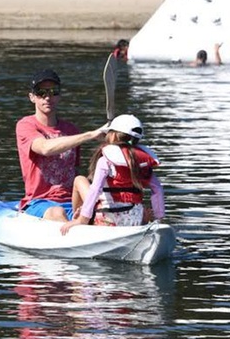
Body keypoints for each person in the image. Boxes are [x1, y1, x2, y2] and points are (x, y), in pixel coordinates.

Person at [16, 69, 109, 222]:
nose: (48, 97)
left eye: (53, 92)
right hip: (40, 201)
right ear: (32, 97)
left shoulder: (71, 130)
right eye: (41, 92)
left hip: (71, 199)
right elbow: (45, 148)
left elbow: (75, 170)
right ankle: (77, 234)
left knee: (82, 180)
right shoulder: (26, 125)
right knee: (58, 212)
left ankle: (104, 216)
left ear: (59, 96)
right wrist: (91, 135)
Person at [61, 114, 165, 235]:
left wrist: (83, 219)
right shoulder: (142, 161)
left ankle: (79, 219)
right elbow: (157, 189)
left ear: (113, 135)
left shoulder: (105, 160)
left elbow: (95, 189)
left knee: (79, 180)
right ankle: (145, 221)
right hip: (135, 220)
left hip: (108, 220)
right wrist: (159, 219)